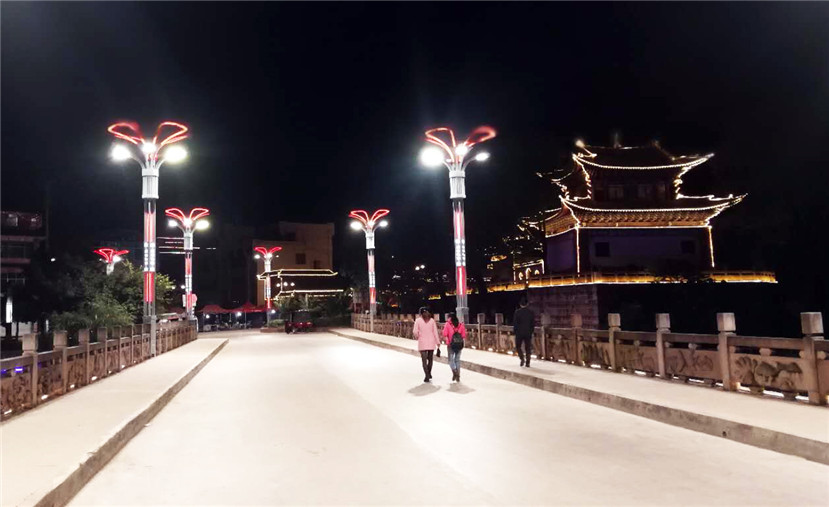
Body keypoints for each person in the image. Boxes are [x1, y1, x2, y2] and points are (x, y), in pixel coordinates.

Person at [412, 307, 440, 382]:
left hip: (422, 343)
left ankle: (426, 375)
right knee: (430, 359)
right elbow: (435, 332)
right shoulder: (432, 320)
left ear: (420, 313)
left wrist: (417, 336)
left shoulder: (418, 320)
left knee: (424, 360)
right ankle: (429, 373)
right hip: (431, 342)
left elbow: (415, 331)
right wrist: (438, 342)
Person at [442, 313, 467, 382]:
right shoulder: (461, 325)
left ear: (449, 318)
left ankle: (455, 372)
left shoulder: (447, 324)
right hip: (459, 345)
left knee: (450, 360)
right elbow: (464, 335)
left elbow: (444, 334)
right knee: (457, 360)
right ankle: (458, 375)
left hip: (450, 345)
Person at [513, 298, 535, 367]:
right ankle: (528, 362)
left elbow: (515, 324)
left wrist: (515, 332)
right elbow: (532, 324)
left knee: (518, 346)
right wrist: (531, 331)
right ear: (527, 304)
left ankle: (522, 358)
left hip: (519, 333)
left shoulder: (517, 312)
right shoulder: (530, 312)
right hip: (528, 332)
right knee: (528, 348)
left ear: (520, 304)